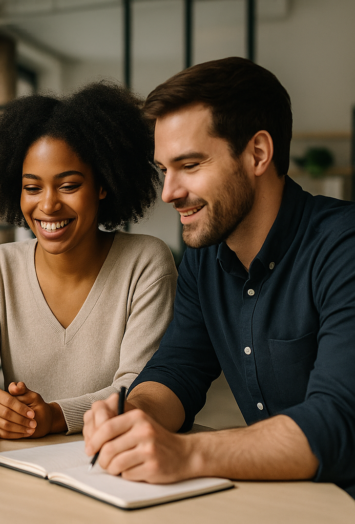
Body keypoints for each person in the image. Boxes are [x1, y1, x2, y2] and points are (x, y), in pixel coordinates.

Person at [83, 57, 355, 498]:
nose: (169, 192)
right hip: (282, 500)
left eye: (189, 165)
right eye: (163, 170)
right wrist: (133, 416)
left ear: (258, 154)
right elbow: (177, 370)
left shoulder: (343, 247)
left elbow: (338, 422)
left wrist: (186, 454)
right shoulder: (204, 258)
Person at [0, 82, 177, 439]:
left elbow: (141, 388)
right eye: (32, 188)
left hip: (110, 457)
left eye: (68, 185)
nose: (47, 205)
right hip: (18, 461)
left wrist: (57, 416)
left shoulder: (146, 264)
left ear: (103, 185)